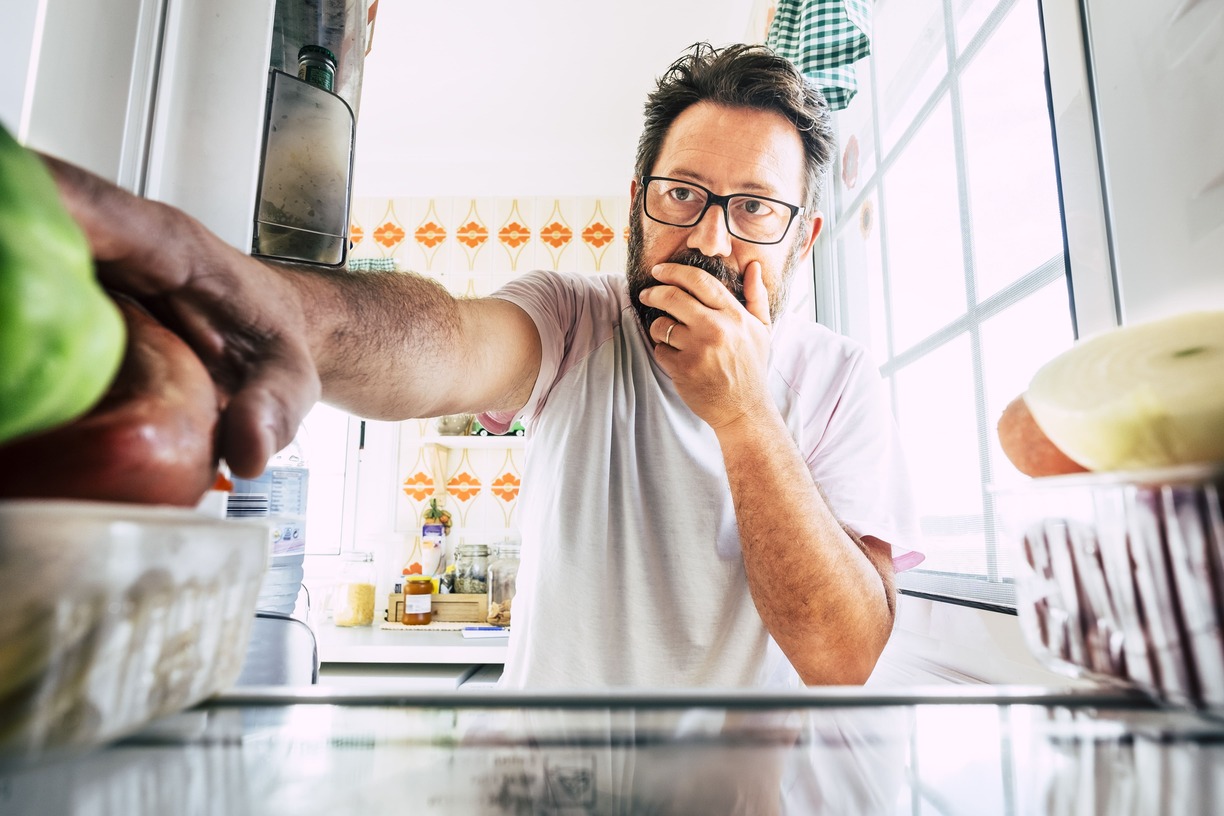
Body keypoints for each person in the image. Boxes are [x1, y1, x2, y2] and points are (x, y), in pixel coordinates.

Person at [46, 42, 920, 689]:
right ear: (638, 203)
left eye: (756, 208)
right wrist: (268, 302)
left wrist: (743, 413)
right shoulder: (578, 319)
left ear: (803, 237)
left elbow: (841, 654)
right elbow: (447, 344)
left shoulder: (842, 382)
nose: (708, 238)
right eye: (682, 194)